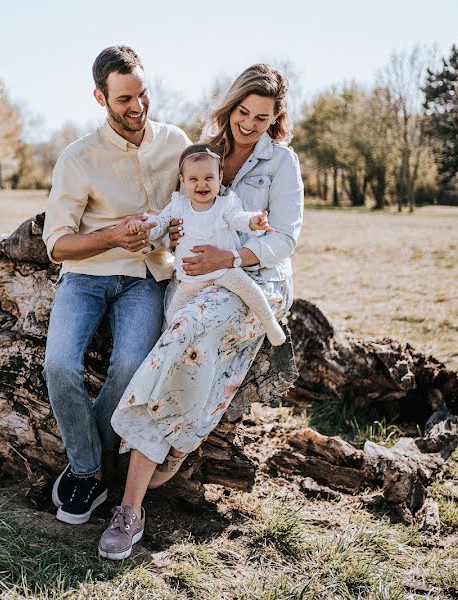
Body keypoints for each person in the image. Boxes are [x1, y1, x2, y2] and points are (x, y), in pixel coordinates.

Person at [97, 64, 303, 560]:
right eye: (243, 111)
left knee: (188, 331)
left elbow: (285, 239)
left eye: (262, 117)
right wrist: (172, 237)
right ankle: (173, 442)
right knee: (180, 338)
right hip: (194, 280)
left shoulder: (282, 162)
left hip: (256, 282)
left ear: (276, 119)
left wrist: (230, 256)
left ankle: (130, 503)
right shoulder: (202, 153)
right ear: (230, 105)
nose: (249, 124)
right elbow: (178, 216)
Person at [42, 46, 191, 525]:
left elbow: (195, 203)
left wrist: (182, 227)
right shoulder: (79, 156)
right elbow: (57, 246)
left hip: (147, 277)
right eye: (125, 98)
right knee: (60, 366)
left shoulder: (175, 142)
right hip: (86, 276)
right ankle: (89, 468)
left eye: (143, 93)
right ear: (100, 98)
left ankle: (90, 468)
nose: (139, 106)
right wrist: (113, 234)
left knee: (128, 366)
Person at [126, 143, 286, 346]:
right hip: (191, 277)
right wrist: (144, 226)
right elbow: (159, 224)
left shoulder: (225, 205)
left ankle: (270, 325)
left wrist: (253, 221)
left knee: (251, 291)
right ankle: (163, 348)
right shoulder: (178, 205)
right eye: (193, 179)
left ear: (220, 177)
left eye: (208, 178)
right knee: (173, 314)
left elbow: (238, 218)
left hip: (224, 270)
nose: (201, 184)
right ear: (183, 181)